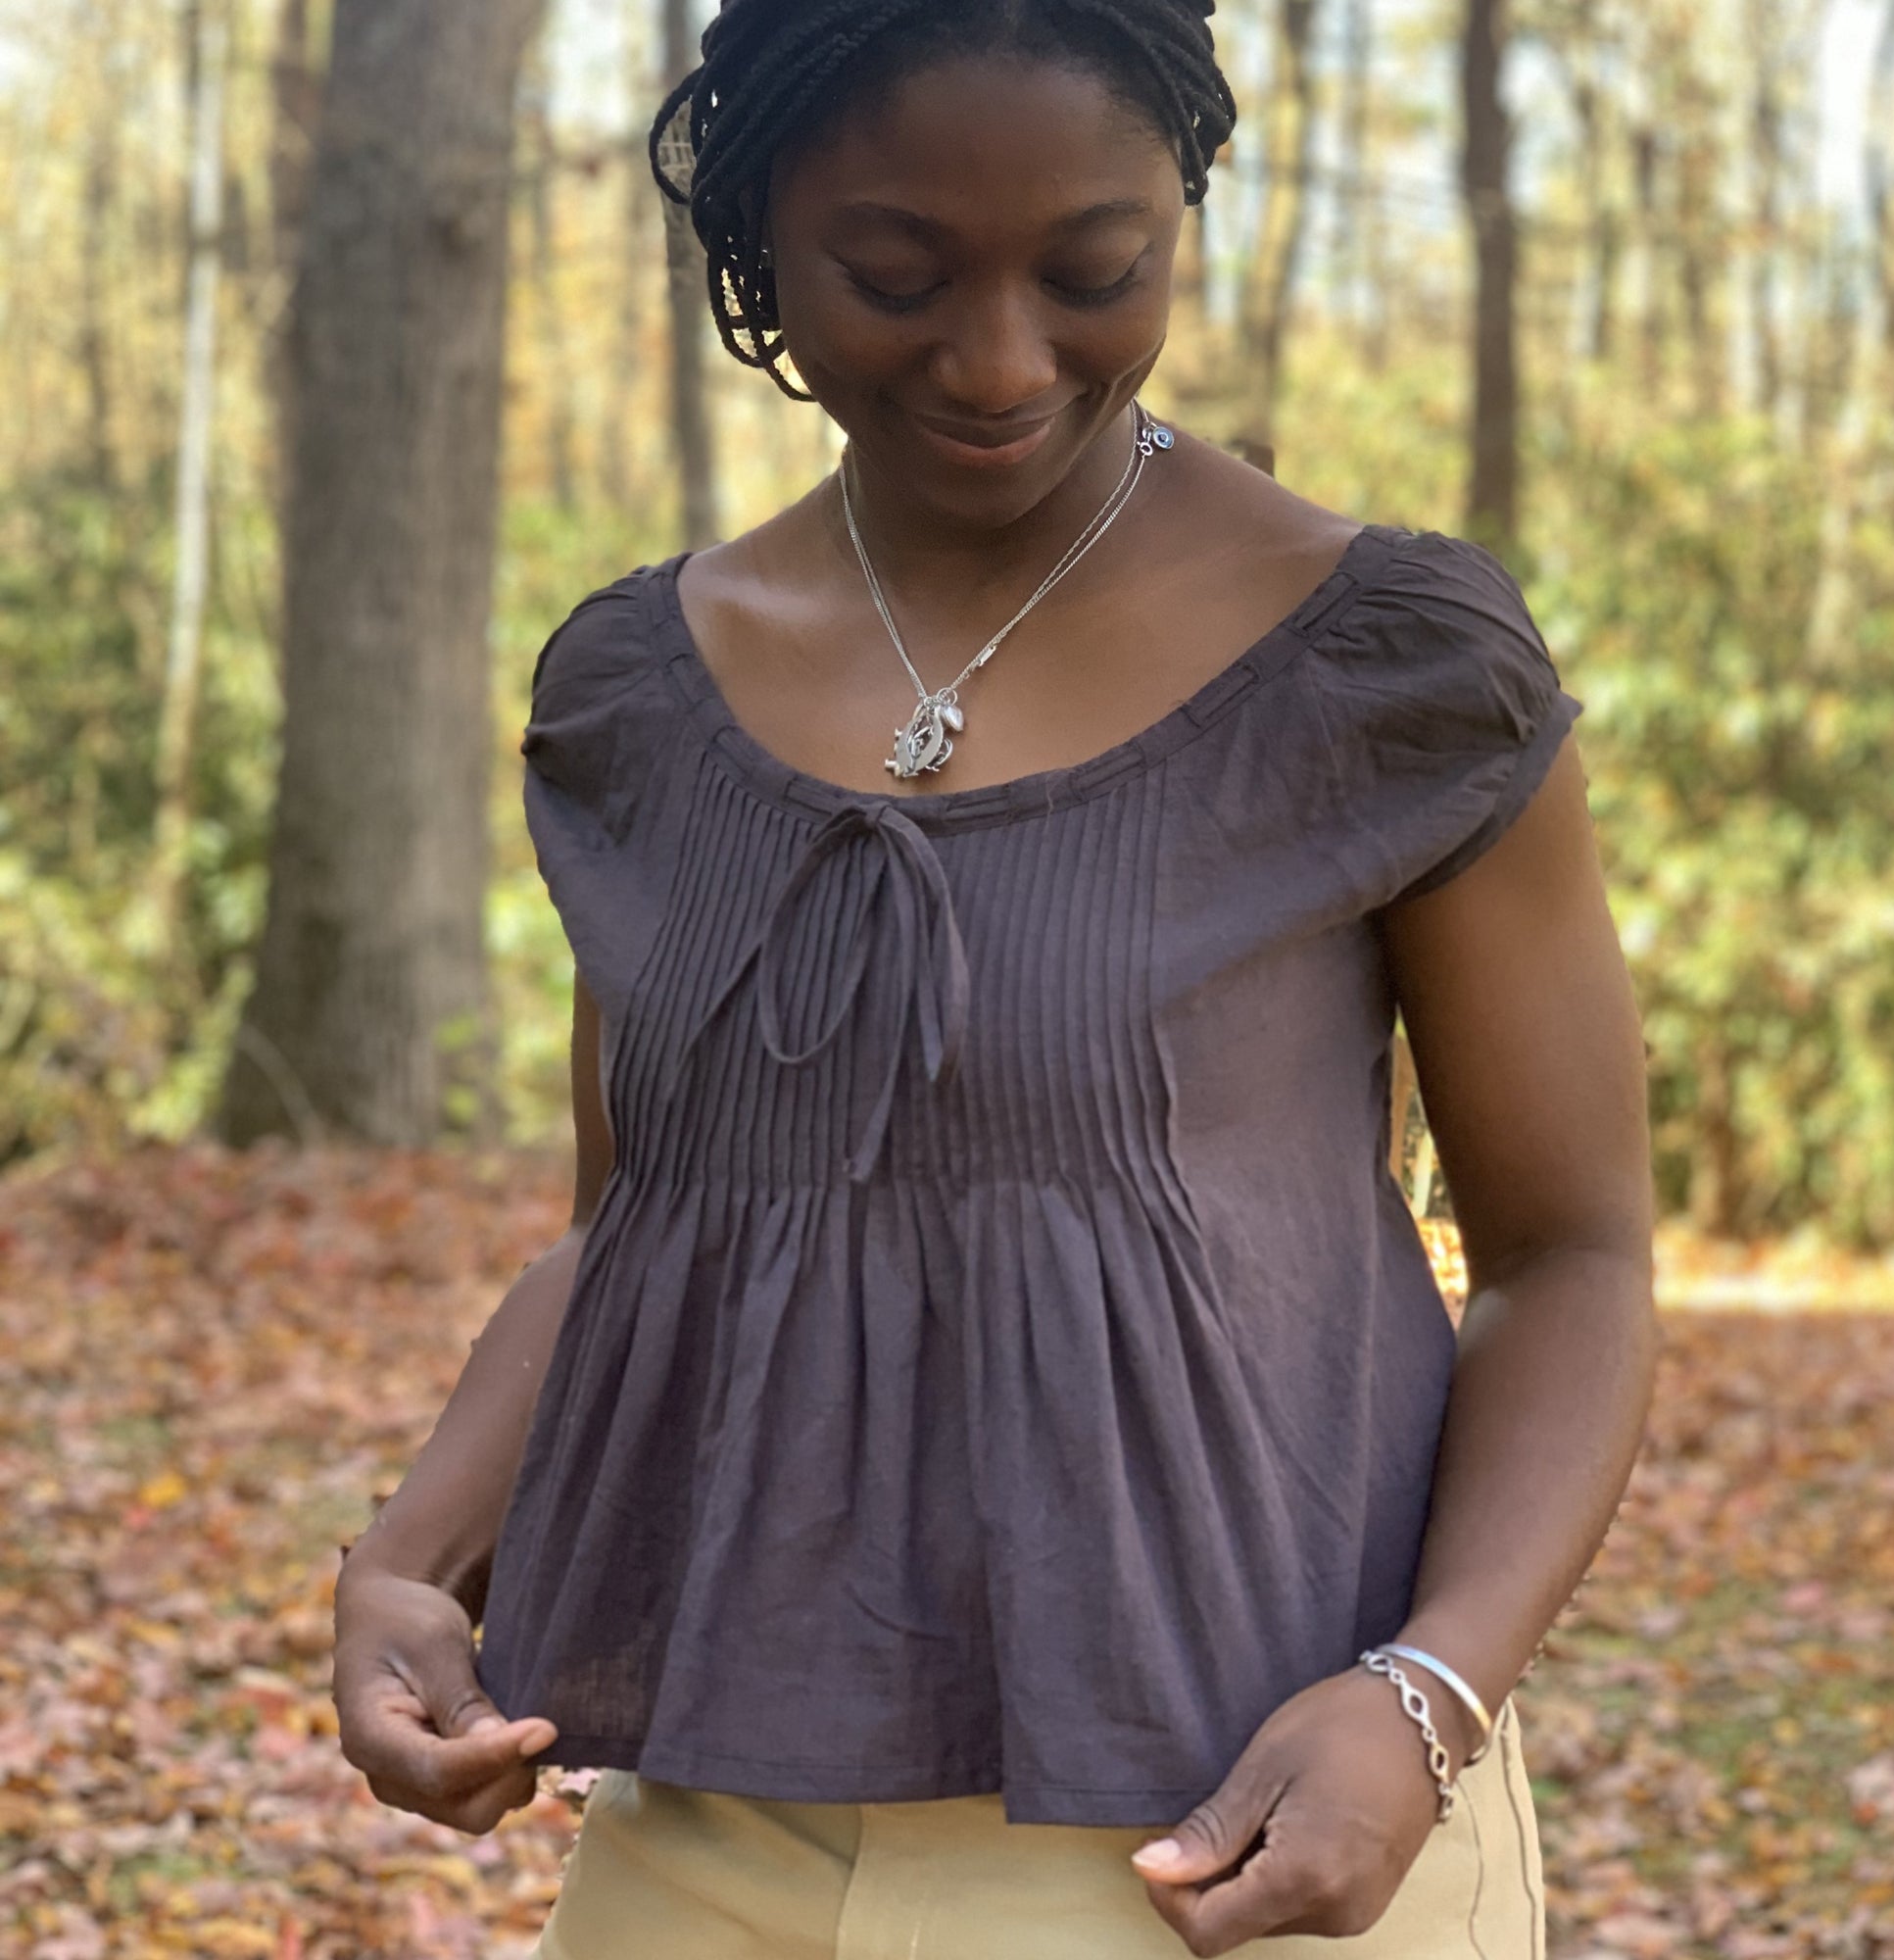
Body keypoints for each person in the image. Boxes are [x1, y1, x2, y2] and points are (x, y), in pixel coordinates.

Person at [331, 2, 1658, 1955]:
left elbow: (1574, 1254)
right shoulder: (636, 697)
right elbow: (644, 1227)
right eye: (897, 272)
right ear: (762, 226)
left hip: (1241, 1839)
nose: (1000, 358)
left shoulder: (1381, 665)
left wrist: (1424, 1698)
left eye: (1094, 269)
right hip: (708, 1832)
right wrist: (409, 1556)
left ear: (1180, 209)